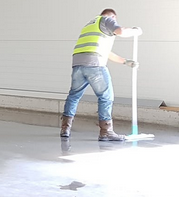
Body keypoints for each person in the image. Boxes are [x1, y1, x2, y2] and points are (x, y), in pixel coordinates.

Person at [60, 9, 141, 141]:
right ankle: (106, 131)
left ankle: (65, 128)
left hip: (78, 65)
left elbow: (106, 52)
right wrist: (135, 31)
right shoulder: (106, 20)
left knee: (74, 96)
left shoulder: (89, 26)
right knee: (106, 97)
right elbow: (120, 31)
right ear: (113, 17)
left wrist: (125, 61)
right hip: (95, 65)